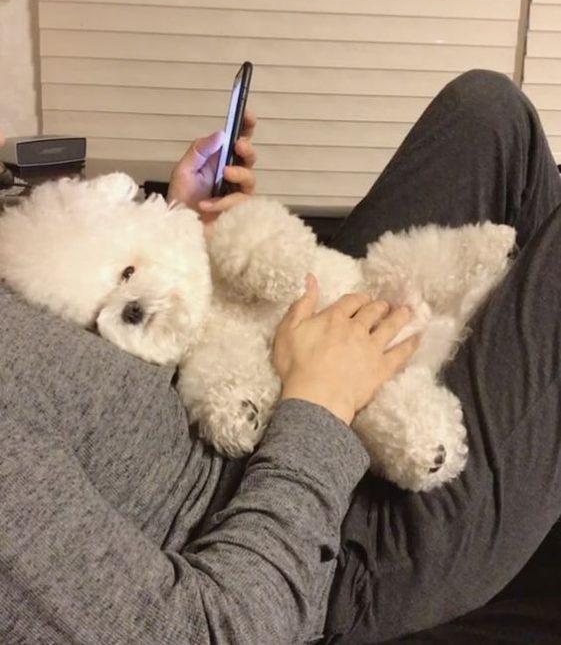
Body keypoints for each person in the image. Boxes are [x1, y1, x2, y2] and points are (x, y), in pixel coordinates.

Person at [0, 68, 559, 644]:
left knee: (490, 112)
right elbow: (220, 631)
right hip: (328, 544)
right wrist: (320, 402)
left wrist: (170, 235)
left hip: (267, 359)